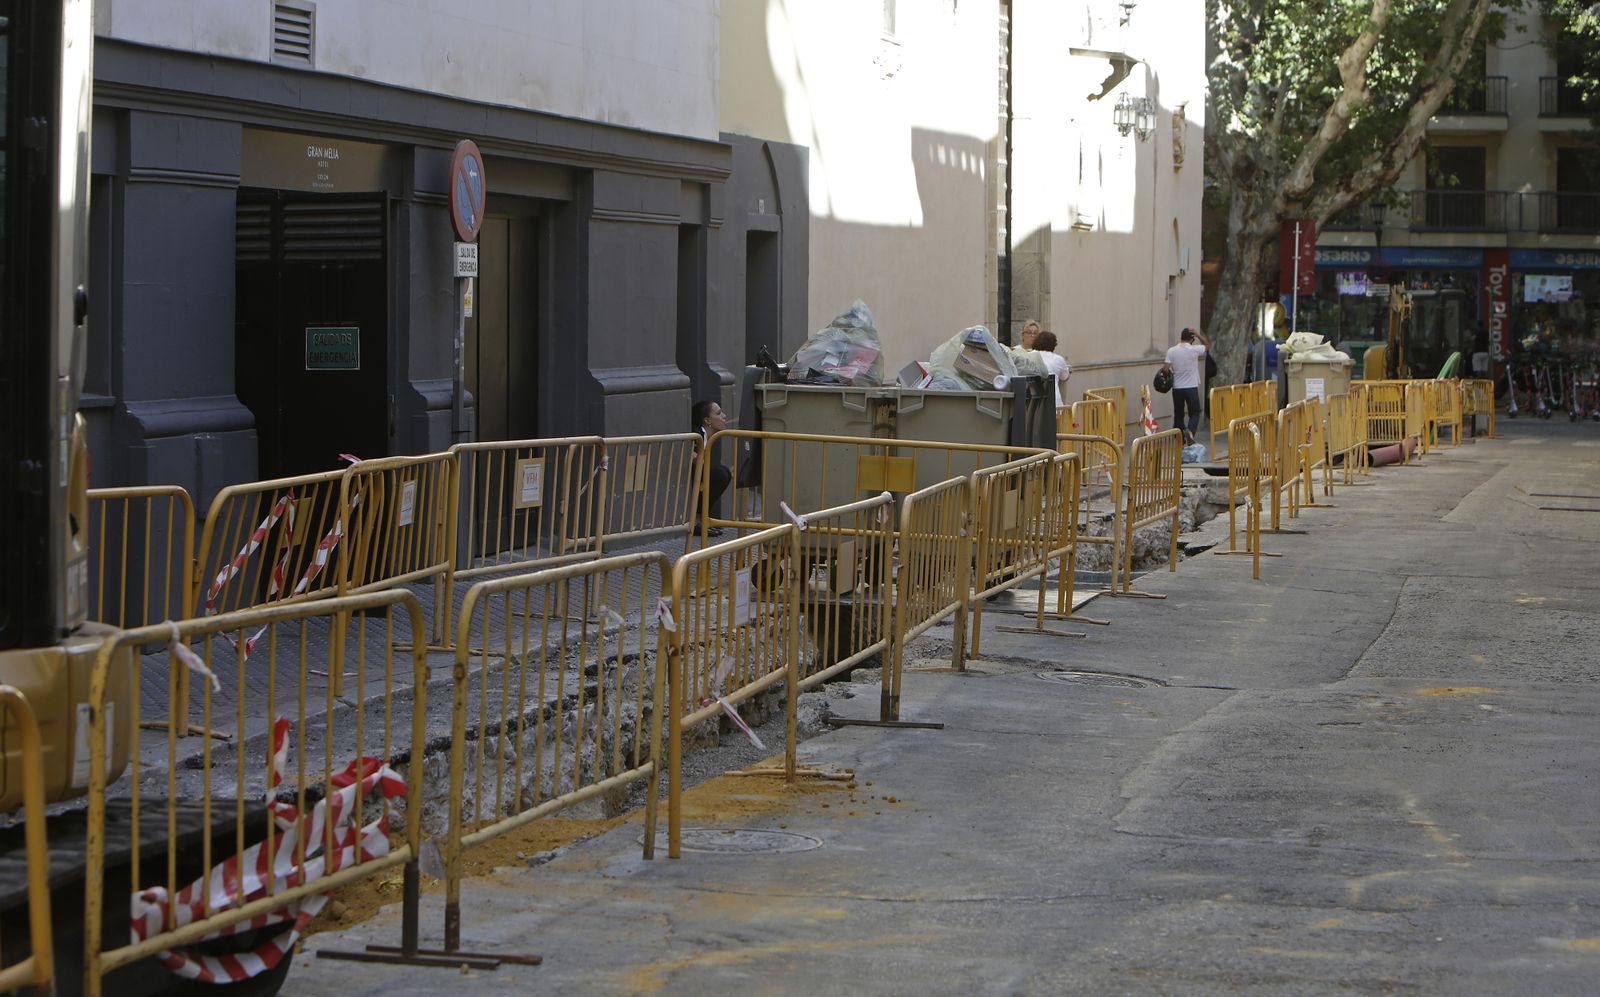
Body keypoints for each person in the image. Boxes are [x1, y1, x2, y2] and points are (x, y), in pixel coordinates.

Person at [1161, 326, 1210, 444]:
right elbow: (1207, 345)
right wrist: (1198, 334)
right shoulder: (1194, 350)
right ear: (1192, 339)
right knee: (1195, 412)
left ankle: (1180, 439)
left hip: (1177, 388)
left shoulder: (1171, 351)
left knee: (1179, 414)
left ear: (1181, 337)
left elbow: (1165, 369)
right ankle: (1190, 433)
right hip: (1191, 387)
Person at [691, 399, 730, 536]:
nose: (724, 416)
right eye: (719, 413)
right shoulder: (696, 433)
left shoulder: (707, 436)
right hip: (685, 477)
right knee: (720, 474)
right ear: (707, 420)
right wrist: (693, 455)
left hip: (695, 476)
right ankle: (696, 521)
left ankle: (701, 521)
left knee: (722, 473)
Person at [1033, 330, 1071, 407]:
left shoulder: (1029, 356)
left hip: (1033, 402)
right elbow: (1064, 377)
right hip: (1054, 401)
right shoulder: (1058, 359)